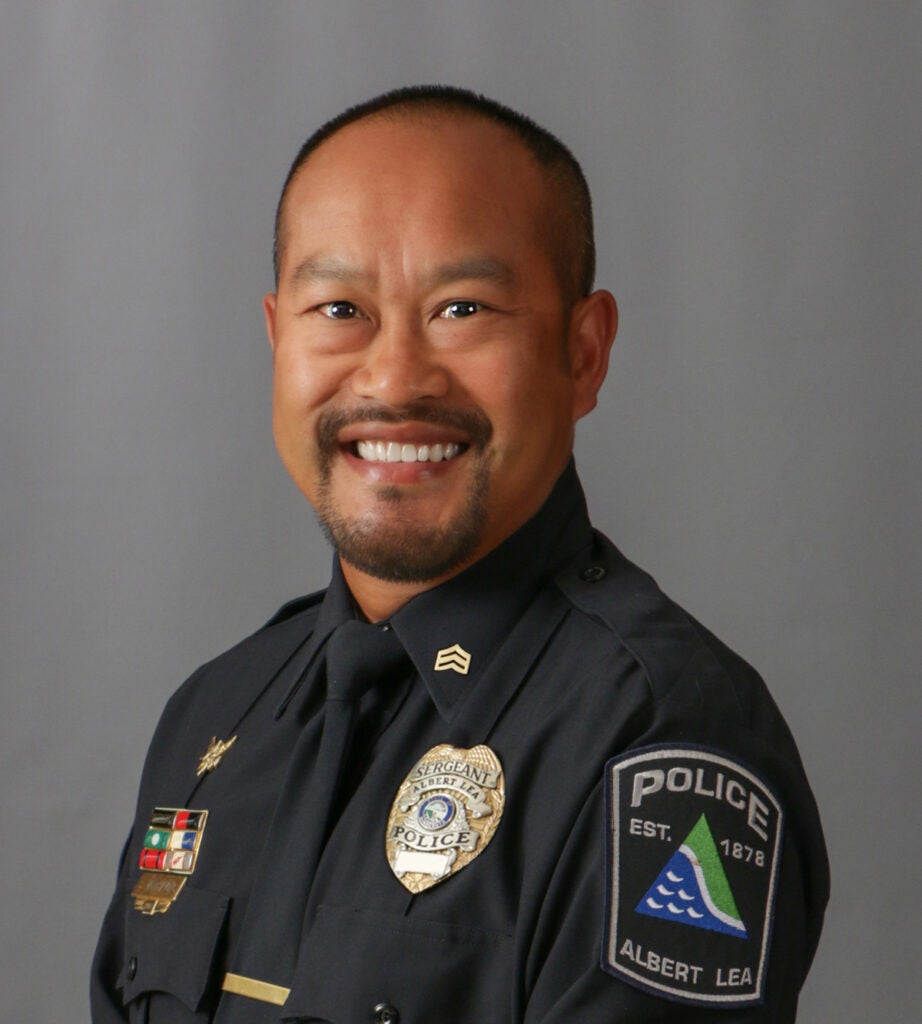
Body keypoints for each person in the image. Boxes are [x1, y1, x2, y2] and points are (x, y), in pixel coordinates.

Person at [91, 85, 828, 1023]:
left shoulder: (662, 748)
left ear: (584, 353)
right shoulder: (215, 716)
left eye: (463, 307)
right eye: (340, 308)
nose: (394, 377)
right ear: (277, 341)